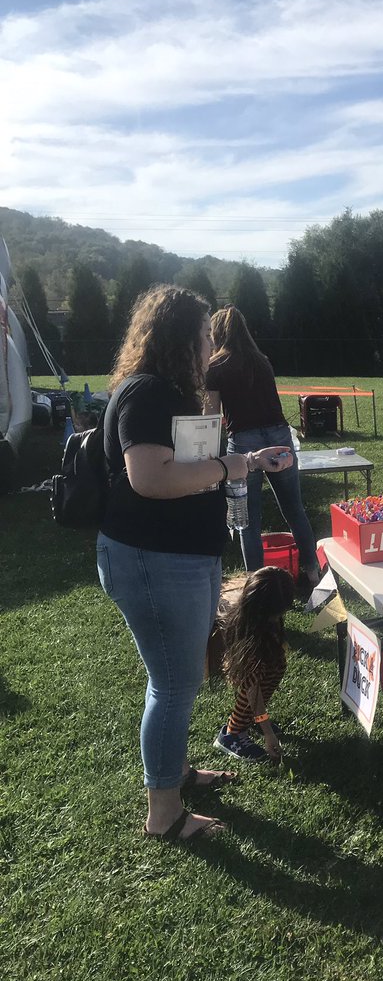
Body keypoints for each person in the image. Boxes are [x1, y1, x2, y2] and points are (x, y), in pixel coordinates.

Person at [96, 285, 295, 843]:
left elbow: (186, 460)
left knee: (177, 678)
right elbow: (151, 477)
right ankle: (164, 813)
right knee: (175, 683)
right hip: (153, 561)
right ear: (179, 338)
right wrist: (228, 468)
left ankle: (176, 773)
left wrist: (239, 460)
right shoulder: (146, 393)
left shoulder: (173, 392)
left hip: (181, 557)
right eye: (205, 333)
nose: (213, 342)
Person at [205, 305, 319, 594]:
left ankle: (255, 587)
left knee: (248, 521)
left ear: (217, 334)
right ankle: (313, 572)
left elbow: (210, 415)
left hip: (244, 443)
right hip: (280, 438)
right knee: (295, 510)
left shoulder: (215, 367)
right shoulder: (262, 360)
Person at [213, 566, 295, 763]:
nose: (279, 616)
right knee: (256, 682)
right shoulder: (250, 640)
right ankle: (233, 733)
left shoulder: (262, 622)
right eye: (276, 612)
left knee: (276, 666)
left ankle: (251, 720)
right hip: (249, 671)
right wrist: (267, 731)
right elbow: (252, 689)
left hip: (258, 661)